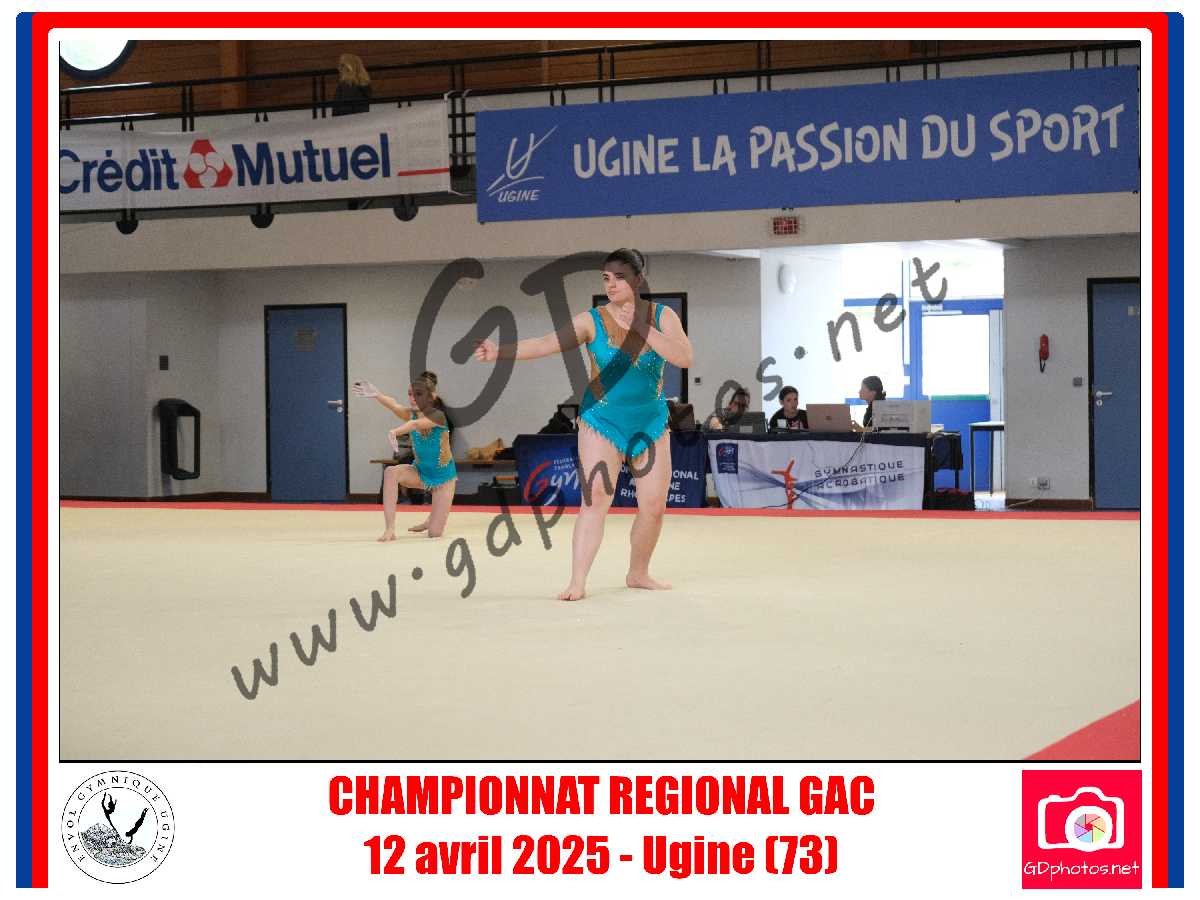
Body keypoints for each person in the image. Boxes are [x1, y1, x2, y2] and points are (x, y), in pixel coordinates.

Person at [474, 247, 693, 601]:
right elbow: (545, 343)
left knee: (654, 505)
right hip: (601, 419)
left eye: (619, 277)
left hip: (649, 420)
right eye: (606, 278)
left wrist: (640, 327)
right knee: (596, 499)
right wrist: (500, 351)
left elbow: (684, 357)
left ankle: (638, 572)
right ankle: (577, 581)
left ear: (638, 279)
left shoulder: (662, 316)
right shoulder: (592, 320)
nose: (611, 285)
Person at [353, 375, 456, 540]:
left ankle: (431, 519)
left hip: (443, 478)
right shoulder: (411, 414)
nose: (413, 398)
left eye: (418, 394)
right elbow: (394, 405)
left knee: (435, 533)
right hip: (420, 473)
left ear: (431, 397)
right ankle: (390, 529)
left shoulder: (438, 416)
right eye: (410, 393)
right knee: (390, 472)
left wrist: (395, 431)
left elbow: (415, 425)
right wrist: (377, 395)